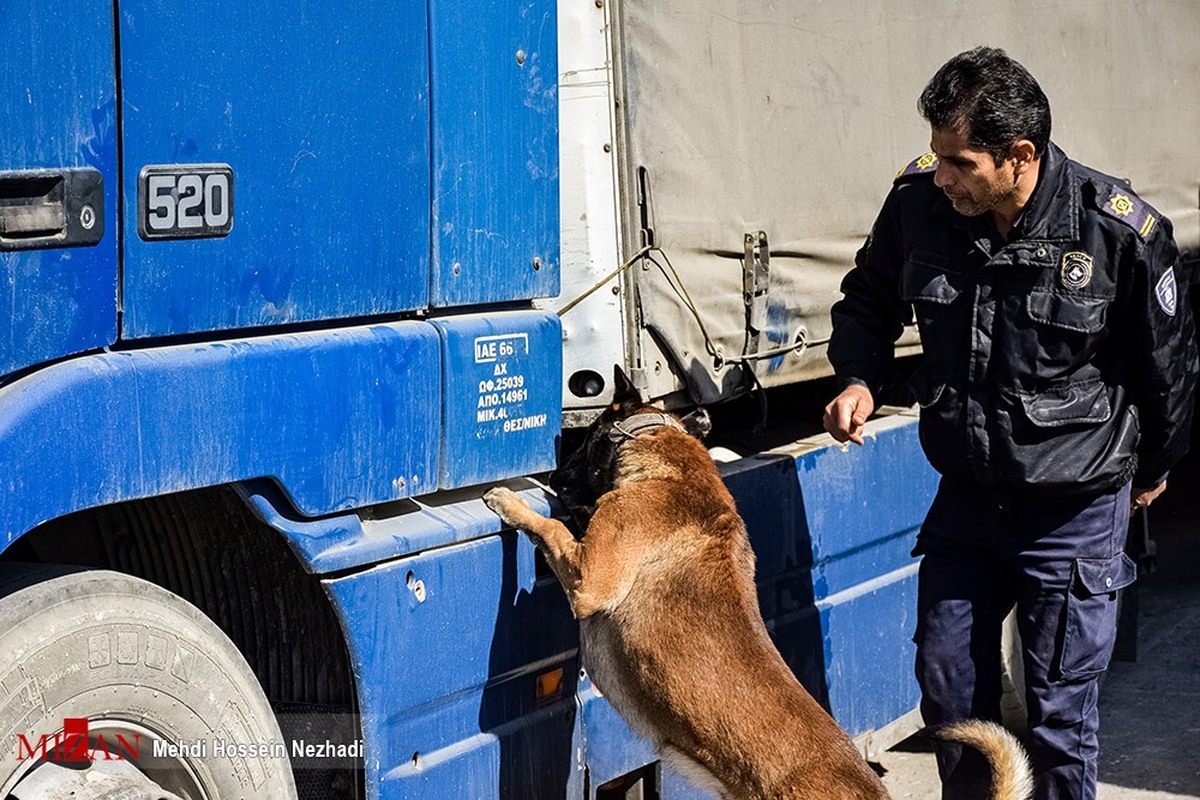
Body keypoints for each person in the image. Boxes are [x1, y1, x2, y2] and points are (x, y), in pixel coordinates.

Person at [823, 46, 1198, 800]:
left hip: (1073, 504)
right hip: (968, 496)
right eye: (937, 158)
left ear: (1019, 155)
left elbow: (1170, 366)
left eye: (959, 162)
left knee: (1060, 714)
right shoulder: (919, 206)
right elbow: (867, 298)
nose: (943, 177)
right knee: (950, 690)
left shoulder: (1115, 231)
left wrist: (1154, 469)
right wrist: (860, 376)